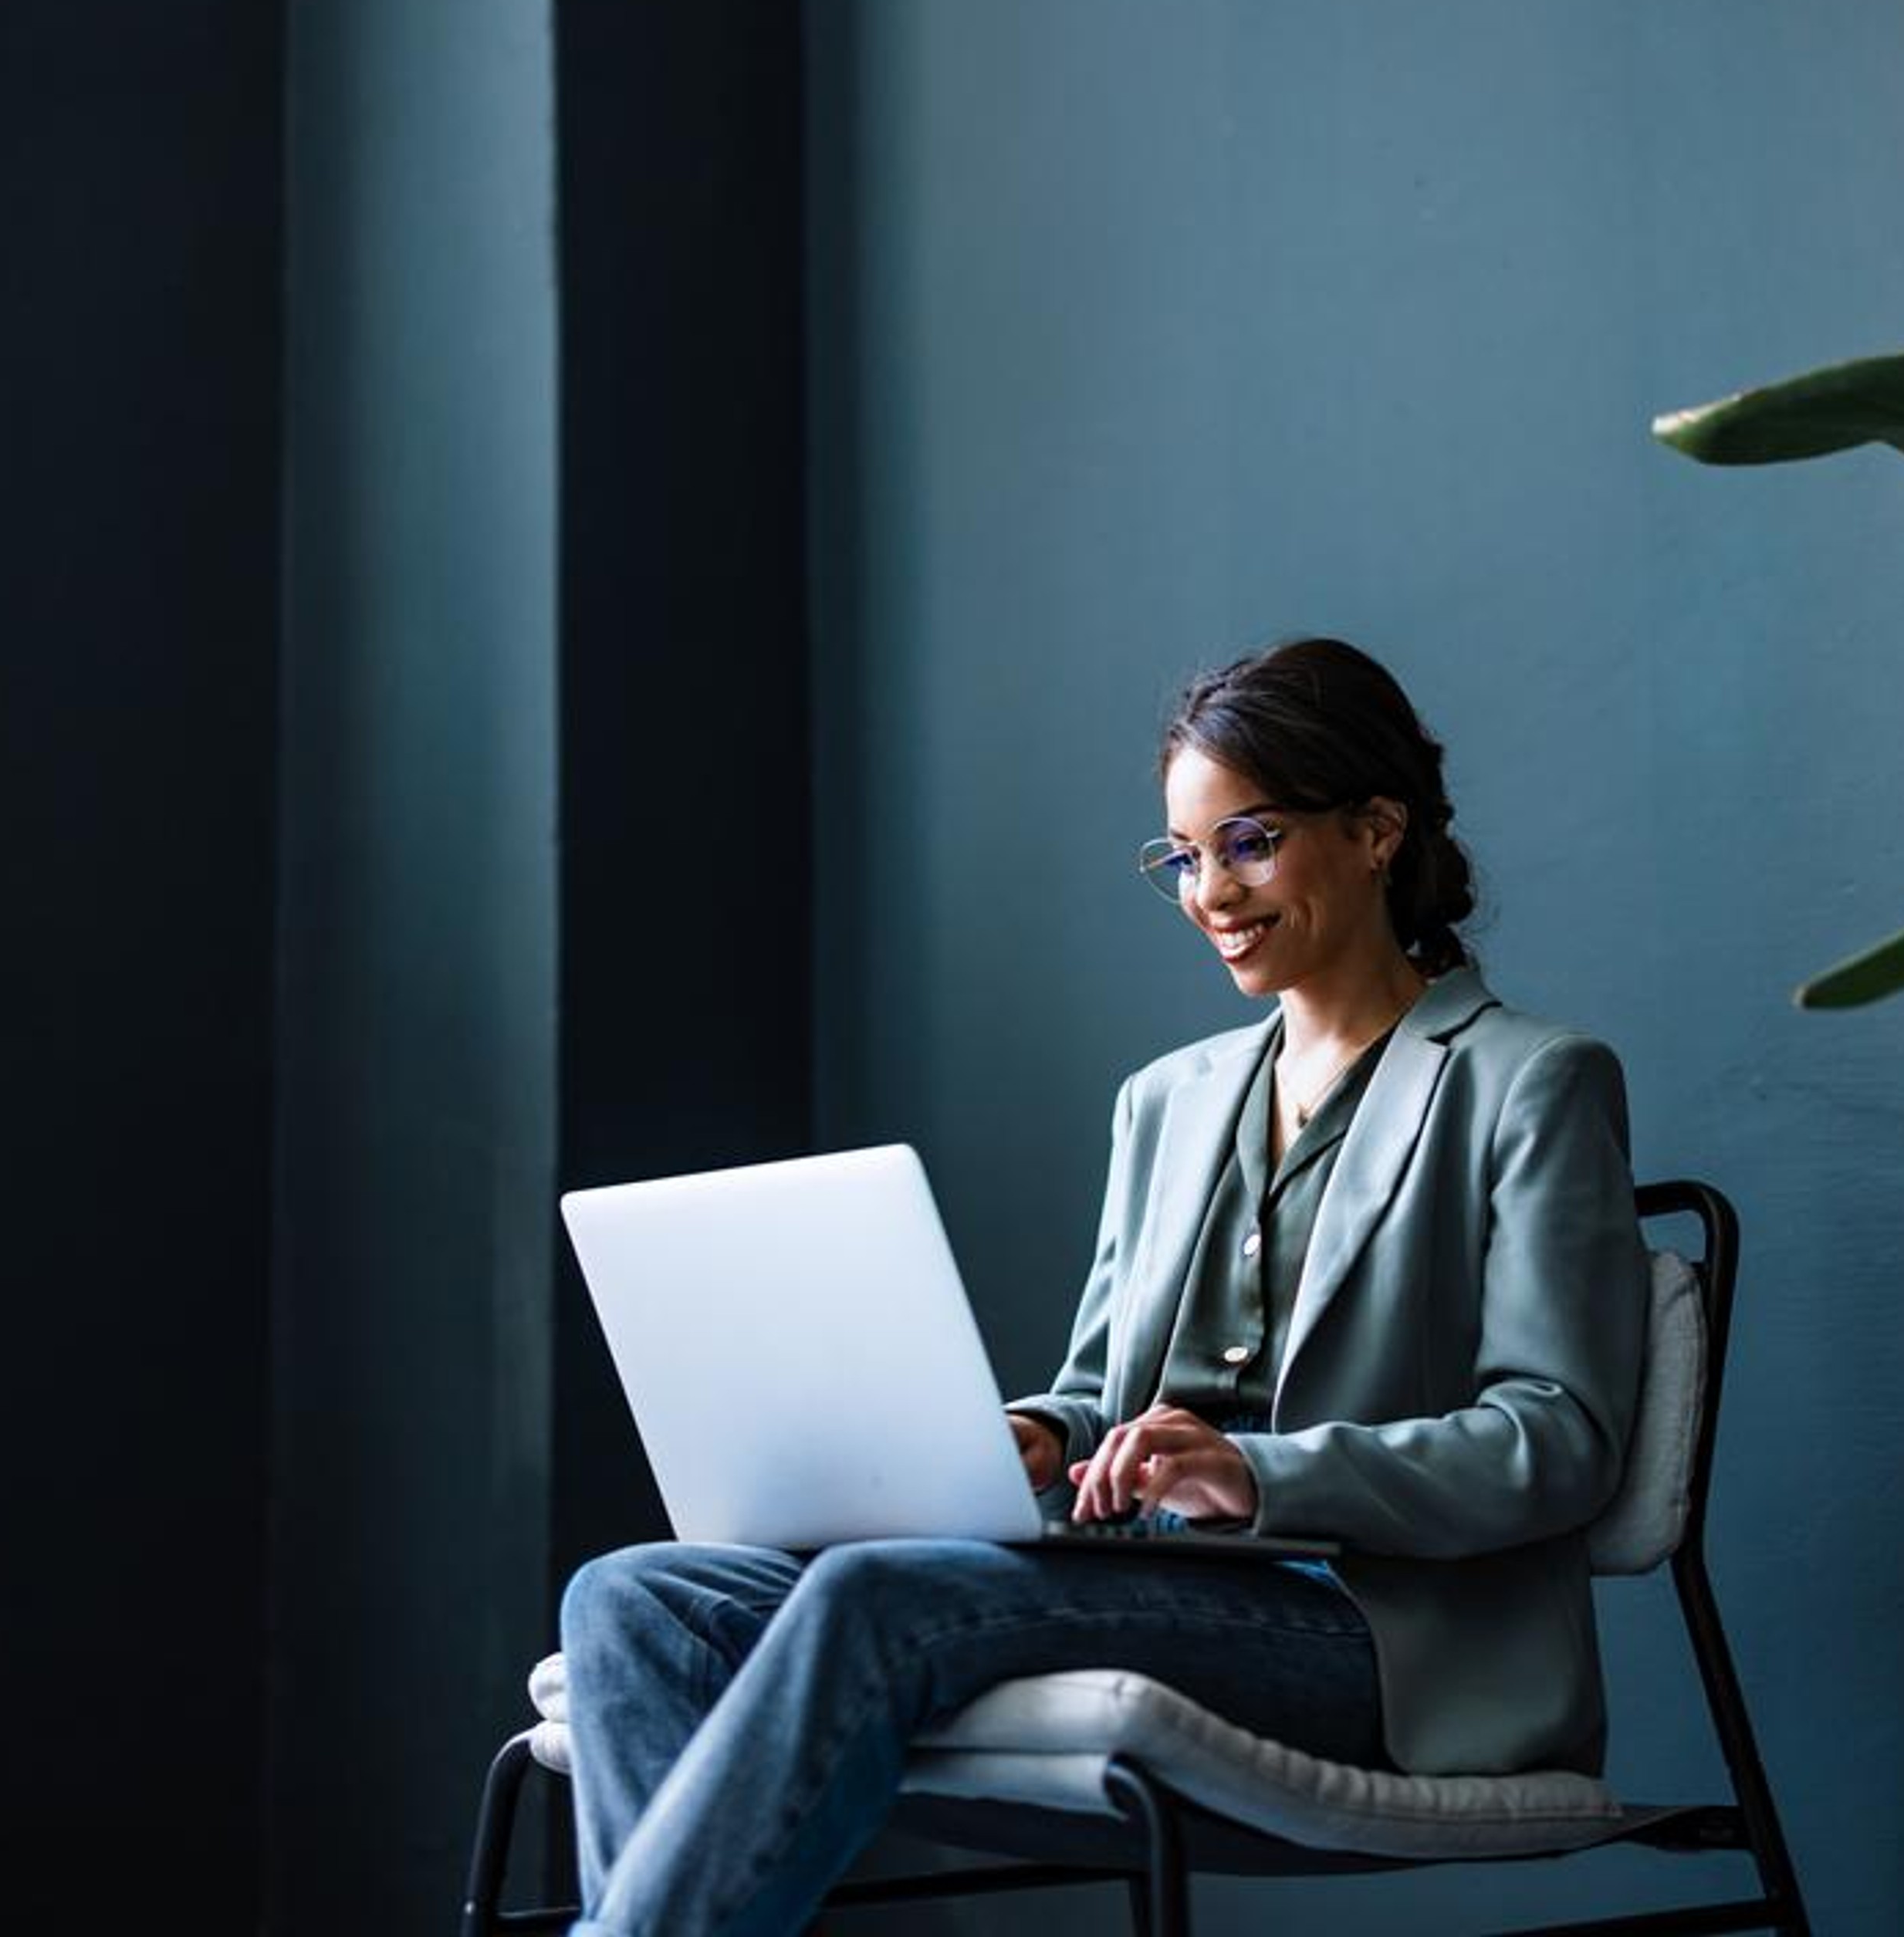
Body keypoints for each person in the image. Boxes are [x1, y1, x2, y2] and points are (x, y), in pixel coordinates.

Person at [556, 637, 1651, 1937]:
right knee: (636, 1598)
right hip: (1141, 1583)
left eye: (1248, 844)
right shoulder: (1166, 1102)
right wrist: (1029, 1436)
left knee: (876, 1597)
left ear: (1374, 831)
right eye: (1182, 858)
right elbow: (1097, 1396)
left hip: (1372, 1636)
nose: (1209, 893)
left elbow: (1557, 1440)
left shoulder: (1529, 1081)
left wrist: (1258, 1474)